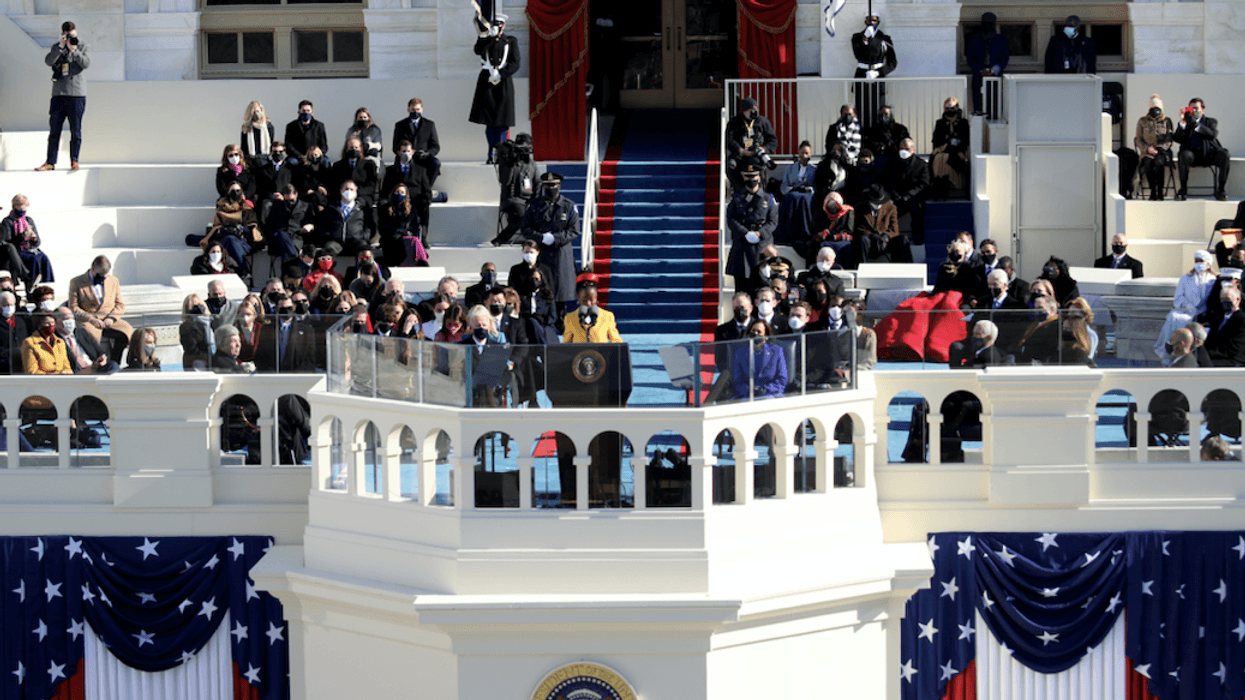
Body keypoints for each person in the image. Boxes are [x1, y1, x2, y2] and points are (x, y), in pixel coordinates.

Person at [522, 172, 581, 309]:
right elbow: (525, 229)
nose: (550, 188)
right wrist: (540, 237)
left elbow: (573, 231)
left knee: (561, 293)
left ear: (559, 186)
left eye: (553, 185)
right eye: (547, 186)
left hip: (561, 255)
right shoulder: (534, 206)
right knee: (543, 290)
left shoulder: (569, 206)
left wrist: (555, 238)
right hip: (541, 254)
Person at [37, 21, 90, 172]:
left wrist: (74, 50)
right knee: (54, 130)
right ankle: (50, 162)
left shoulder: (82, 46)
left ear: (76, 31)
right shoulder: (57, 47)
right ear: (63, 34)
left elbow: (86, 63)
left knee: (76, 130)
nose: (70, 37)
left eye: (72, 34)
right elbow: (48, 61)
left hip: (77, 95)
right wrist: (61, 47)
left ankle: (74, 161)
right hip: (59, 95)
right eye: (67, 34)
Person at [470, 13, 521, 163]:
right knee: (490, 121)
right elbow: (477, 50)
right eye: (493, 24)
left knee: (502, 121)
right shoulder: (486, 41)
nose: (496, 27)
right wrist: (483, 35)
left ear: (503, 26)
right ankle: (491, 151)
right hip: (487, 83)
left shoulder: (510, 41)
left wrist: (501, 74)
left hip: (503, 83)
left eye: (499, 24)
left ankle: (501, 152)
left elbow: (515, 62)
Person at [68, 255, 131, 363]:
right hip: (89, 321)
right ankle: (98, 363)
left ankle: (116, 362)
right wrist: (91, 319)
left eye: (105, 275)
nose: (103, 278)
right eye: (100, 274)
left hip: (109, 320)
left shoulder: (113, 281)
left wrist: (111, 318)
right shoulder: (76, 282)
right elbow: (74, 307)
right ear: (93, 268)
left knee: (127, 331)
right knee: (87, 336)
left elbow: (120, 305)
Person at [726, 166, 778, 294]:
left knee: (761, 290)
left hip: (761, 248)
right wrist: (745, 233)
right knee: (741, 290)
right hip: (742, 247)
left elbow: (773, 222)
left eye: (753, 176)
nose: (751, 179)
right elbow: (731, 219)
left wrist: (760, 233)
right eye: (748, 176)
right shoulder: (737, 198)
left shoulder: (768, 199)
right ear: (744, 178)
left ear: (759, 178)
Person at [1173, 98, 1230, 201]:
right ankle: (1183, 189)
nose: (1194, 111)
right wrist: (1182, 123)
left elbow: (1212, 134)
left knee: (1224, 154)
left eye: (1196, 108)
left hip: (1208, 154)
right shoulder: (1186, 123)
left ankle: (1221, 189)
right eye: (1191, 108)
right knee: (1183, 155)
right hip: (1192, 156)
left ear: (1203, 110)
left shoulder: (1210, 121)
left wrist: (1195, 125)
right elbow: (1177, 138)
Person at [851, 14, 897, 130]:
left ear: (879, 22)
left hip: (877, 77)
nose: (872, 22)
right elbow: (858, 55)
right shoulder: (857, 38)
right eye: (869, 20)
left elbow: (892, 63)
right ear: (865, 22)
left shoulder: (885, 39)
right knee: (861, 108)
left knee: (879, 109)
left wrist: (879, 73)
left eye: (874, 20)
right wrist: (865, 39)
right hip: (862, 75)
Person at [381, 140, 432, 247]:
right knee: (383, 205)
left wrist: (425, 199)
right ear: (398, 152)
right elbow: (385, 190)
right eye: (403, 151)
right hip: (397, 199)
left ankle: (422, 238)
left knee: (424, 205)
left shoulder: (420, 170)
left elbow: (426, 190)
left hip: (415, 200)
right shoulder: (391, 171)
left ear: (413, 152)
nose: (406, 154)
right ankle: (385, 238)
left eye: (408, 151)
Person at [204, 181, 259, 279]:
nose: (235, 193)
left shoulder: (246, 207)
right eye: (232, 190)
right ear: (228, 192)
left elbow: (252, 227)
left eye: (238, 190)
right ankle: (243, 270)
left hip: (243, 240)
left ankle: (240, 270)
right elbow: (217, 225)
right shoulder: (222, 207)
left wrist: (240, 228)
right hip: (224, 239)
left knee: (232, 240)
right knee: (230, 239)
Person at [0, 194, 54, 289]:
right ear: (14, 206)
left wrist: (34, 238)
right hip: (17, 251)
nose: (22, 209)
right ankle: (29, 281)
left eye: (24, 206)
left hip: (29, 249)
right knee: (32, 259)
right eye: (19, 206)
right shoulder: (7, 221)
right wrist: (22, 236)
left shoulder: (28, 220)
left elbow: (38, 242)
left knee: (43, 257)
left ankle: (44, 285)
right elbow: (7, 242)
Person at [884, 138, 931, 245]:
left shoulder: (921, 164)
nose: (904, 151)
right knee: (887, 209)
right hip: (896, 197)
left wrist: (908, 195)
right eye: (901, 148)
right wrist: (895, 195)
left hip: (913, 197)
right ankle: (889, 238)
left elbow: (923, 184)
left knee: (917, 209)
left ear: (913, 150)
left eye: (907, 148)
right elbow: (887, 181)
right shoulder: (891, 163)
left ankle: (918, 240)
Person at [254, 294, 316, 373]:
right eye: (282, 309)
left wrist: (295, 375)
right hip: (272, 378)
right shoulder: (267, 329)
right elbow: (260, 356)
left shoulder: (307, 330)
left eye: (289, 308)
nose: (286, 311)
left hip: (297, 378)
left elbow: (310, 359)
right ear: (277, 311)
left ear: (293, 308)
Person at [494, 132, 537, 246]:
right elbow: (504, 181)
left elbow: (538, 182)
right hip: (512, 198)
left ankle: (534, 240)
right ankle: (501, 239)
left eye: (528, 145)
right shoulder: (507, 160)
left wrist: (537, 200)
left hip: (528, 198)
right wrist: (510, 164)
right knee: (521, 217)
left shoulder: (531, 163)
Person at [725, 98, 779, 189]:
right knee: (730, 166)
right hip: (740, 155)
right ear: (744, 111)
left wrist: (764, 149)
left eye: (756, 109)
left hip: (756, 155)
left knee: (757, 164)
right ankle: (740, 190)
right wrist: (741, 150)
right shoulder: (734, 122)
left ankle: (759, 190)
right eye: (751, 110)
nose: (754, 112)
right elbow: (729, 140)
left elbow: (773, 140)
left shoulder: (763, 122)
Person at [391, 98, 442, 189]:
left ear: (422, 110)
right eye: (413, 109)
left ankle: (426, 189)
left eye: (418, 109)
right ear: (408, 110)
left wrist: (427, 153)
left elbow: (435, 146)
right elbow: (395, 146)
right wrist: (406, 153)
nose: (415, 112)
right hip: (407, 157)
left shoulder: (429, 125)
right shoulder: (400, 125)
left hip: (423, 157)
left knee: (435, 163)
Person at [965, 13, 1010, 114]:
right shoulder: (973, 39)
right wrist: (981, 70)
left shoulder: (1002, 40)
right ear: (982, 24)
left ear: (994, 24)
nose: (988, 26)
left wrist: (993, 70)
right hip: (978, 79)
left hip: (996, 79)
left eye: (990, 23)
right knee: (978, 109)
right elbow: (970, 59)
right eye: (985, 23)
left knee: (995, 109)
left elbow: (1005, 59)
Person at [732, 319, 788, 399]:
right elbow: (737, 380)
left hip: (771, 394)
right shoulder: (740, 352)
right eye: (753, 330)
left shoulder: (777, 351)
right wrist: (749, 390)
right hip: (748, 396)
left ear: (766, 335)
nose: (755, 333)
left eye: (759, 332)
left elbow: (782, 379)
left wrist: (765, 389)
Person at [1134, 94, 1175, 200]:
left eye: (1157, 108)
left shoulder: (1167, 121)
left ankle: (1160, 191)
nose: (1154, 110)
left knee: (1159, 162)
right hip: (1147, 151)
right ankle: (1152, 190)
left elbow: (1169, 139)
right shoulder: (1143, 121)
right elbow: (1138, 139)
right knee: (1148, 163)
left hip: (1162, 152)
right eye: (1152, 108)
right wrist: (1147, 149)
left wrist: (1161, 148)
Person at [319, 180, 375, 255]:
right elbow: (323, 225)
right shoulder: (331, 208)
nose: (349, 192)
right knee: (327, 251)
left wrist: (363, 236)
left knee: (364, 250)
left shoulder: (363, 209)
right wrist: (330, 236)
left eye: (352, 189)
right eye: (346, 189)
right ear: (341, 191)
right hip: (335, 243)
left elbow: (370, 225)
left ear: (356, 193)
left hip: (356, 242)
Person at [853, 183, 905, 264]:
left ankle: (902, 269)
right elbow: (859, 228)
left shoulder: (891, 208)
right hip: (870, 241)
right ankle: (862, 267)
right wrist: (871, 235)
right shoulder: (861, 208)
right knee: (862, 240)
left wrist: (886, 236)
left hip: (885, 241)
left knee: (902, 239)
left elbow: (894, 229)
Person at [55, 305, 115, 374]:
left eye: (72, 318)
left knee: (113, 365)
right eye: (66, 319)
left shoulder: (81, 332)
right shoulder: (55, 339)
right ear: (56, 322)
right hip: (77, 371)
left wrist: (102, 359)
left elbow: (100, 352)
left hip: (93, 367)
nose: (70, 321)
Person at [931, 97, 970, 199]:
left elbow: (964, 142)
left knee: (941, 157)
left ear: (957, 108)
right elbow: (936, 141)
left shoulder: (963, 123)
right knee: (940, 157)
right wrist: (943, 148)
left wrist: (946, 147)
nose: (950, 110)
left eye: (952, 107)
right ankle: (941, 188)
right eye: (947, 108)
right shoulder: (940, 123)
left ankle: (941, 189)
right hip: (943, 153)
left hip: (956, 154)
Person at [804, 191, 855, 268]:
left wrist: (836, 236)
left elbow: (849, 231)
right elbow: (815, 229)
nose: (833, 209)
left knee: (845, 249)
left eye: (835, 206)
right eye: (830, 207)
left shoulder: (848, 212)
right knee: (820, 247)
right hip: (825, 240)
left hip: (841, 240)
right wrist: (824, 233)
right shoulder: (820, 212)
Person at [330, 137, 381, 209]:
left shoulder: (369, 165)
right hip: (342, 197)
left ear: (360, 149)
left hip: (362, 197)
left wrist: (355, 193)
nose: (354, 149)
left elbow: (371, 187)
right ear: (346, 148)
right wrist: (345, 194)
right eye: (351, 147)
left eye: (356, 147)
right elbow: (334, 186)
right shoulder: (337, 166)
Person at [1205, 285, 1245, 366]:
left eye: (1227, 299)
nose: (1224, 303)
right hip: (1216, 356)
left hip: (1232, 359)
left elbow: (1234, 347)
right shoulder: (1218, 318)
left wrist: (1209, 354)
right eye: (1222, 300)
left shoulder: (1242, 320)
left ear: (1238, 299)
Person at [179, 293, 215, 371]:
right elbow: (190, 348)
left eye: (199, 305)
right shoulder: (186, 326)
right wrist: (196, 320)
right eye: (193, 307)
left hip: (212, 361)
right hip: (196, 364)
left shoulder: (210, 322)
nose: (198, 308)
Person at [293, 145, 333, 213]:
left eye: (316, 155)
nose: (314, 157)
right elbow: (304, 184)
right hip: (308, 195)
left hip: (323, 195)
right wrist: (317, 187)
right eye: (311, 155)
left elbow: (328, 184)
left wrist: (318, 189)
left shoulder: (325, 170)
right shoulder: (304, 170)